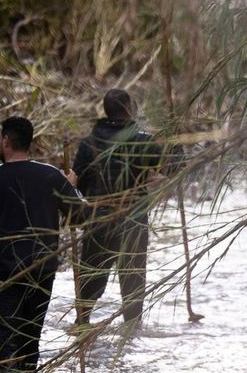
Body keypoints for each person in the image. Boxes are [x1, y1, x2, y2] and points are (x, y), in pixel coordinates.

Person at [0, 116, 85, 373]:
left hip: (5, 272)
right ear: (30, 141)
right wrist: (73, 185)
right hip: (42, 268)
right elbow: (80, 213)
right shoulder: (52, 175)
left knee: (8, 335)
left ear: (6, 141)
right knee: (31, 335)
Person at [71, 88, 178, 329]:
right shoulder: (143, 141)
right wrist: (174, 142)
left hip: (98, 222)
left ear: (106, 110)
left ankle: (82, 327)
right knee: (132, 285)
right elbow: (173, 168)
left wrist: (77, 215)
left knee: (90, 282)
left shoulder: (88, 144)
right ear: (129, 109)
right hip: (133, 223)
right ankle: (131, 335)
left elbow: (78, 183)